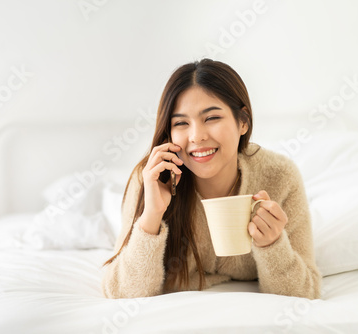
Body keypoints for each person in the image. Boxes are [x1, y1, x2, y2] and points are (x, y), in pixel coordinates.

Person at [102, 59, 321, 299]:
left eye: (212, 118)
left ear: (243, 122)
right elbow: (122, 294)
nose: (196, 136)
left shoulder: (280, 177)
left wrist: (273, 245)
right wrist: (151, 216)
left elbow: (305, 293)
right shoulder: (151, 180)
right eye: (181, 123)